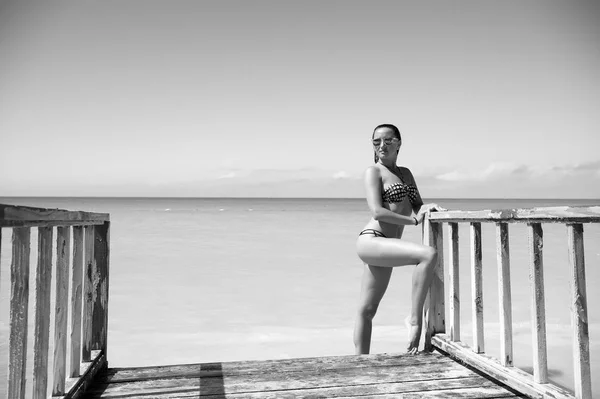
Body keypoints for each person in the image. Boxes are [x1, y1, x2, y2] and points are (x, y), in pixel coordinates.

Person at [354, 123, 444, 355]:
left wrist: (428, 208)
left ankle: (360, 362)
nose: (382, 145)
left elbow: (418, 206)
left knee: (367, 309)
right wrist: (414, 222)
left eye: (388, 140)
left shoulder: (406, 173)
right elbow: (378, 212)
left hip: (386, 246)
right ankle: (415, 320)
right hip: (372, 240)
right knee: (428, 254)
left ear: (399, 143)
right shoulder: (373, 172)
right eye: (376, 142)